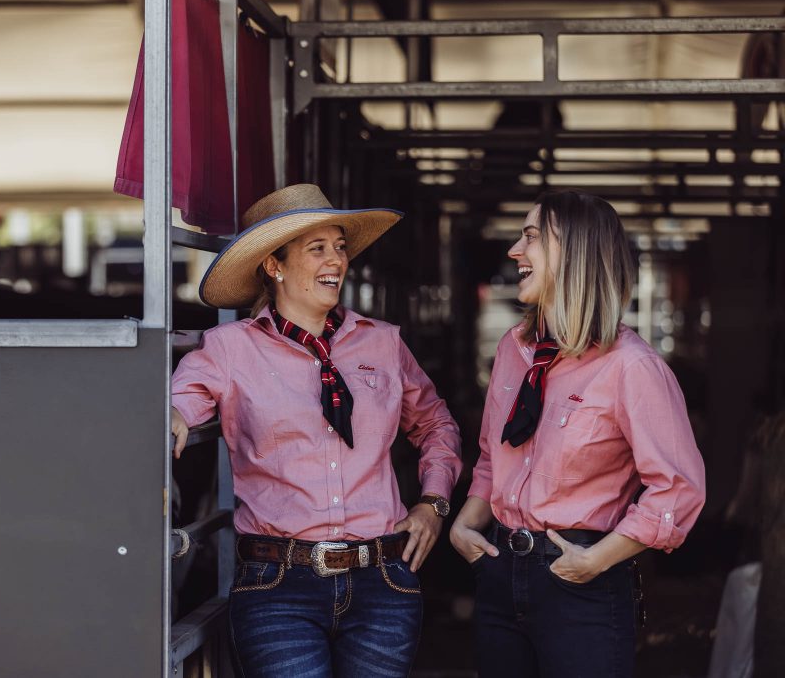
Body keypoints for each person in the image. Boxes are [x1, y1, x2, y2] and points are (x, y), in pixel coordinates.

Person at [171, 184, 462, 677]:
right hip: (276, 584)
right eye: (317, 248)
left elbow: (436, 423)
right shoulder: (229, 349)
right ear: (275, 265)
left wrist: (434, 505)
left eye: (340, 246)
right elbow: (184, 400)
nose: (337, 260)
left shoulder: (384, 343)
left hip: (382, 582)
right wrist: (173, 416)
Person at [449, 190, 706, 678]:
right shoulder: (514, 349)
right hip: (501, 573)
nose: (513, 252)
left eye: (530, 238)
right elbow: (492, 456)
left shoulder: (631, 366)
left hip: (581, 585)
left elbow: (678, 488)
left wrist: (595, 560)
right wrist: (464, 523)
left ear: (575, 252)